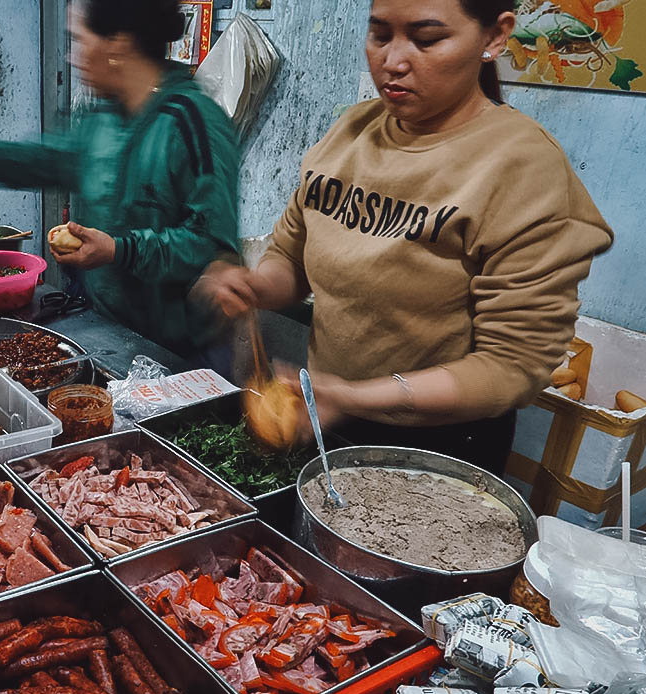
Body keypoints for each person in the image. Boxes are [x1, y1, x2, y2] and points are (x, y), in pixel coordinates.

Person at [196, 0, 613, 474]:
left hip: (435, 451)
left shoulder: (523, 169)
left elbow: (509, 367)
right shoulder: (351, 132)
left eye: (427, 38)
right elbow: (292, 257)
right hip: (320, 416)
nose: (392, 61)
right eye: (379, 35)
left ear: (494, 37)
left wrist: (351, 396)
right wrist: (253, 286)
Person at [0, 0, 239, 362]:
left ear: (117, 44)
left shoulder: (193, 121)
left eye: (78, 40)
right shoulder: (103, 116)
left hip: (182, 353)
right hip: (111, 336)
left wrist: (120, 250)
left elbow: (212, 244)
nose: (73, 58)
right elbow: (42, 161)